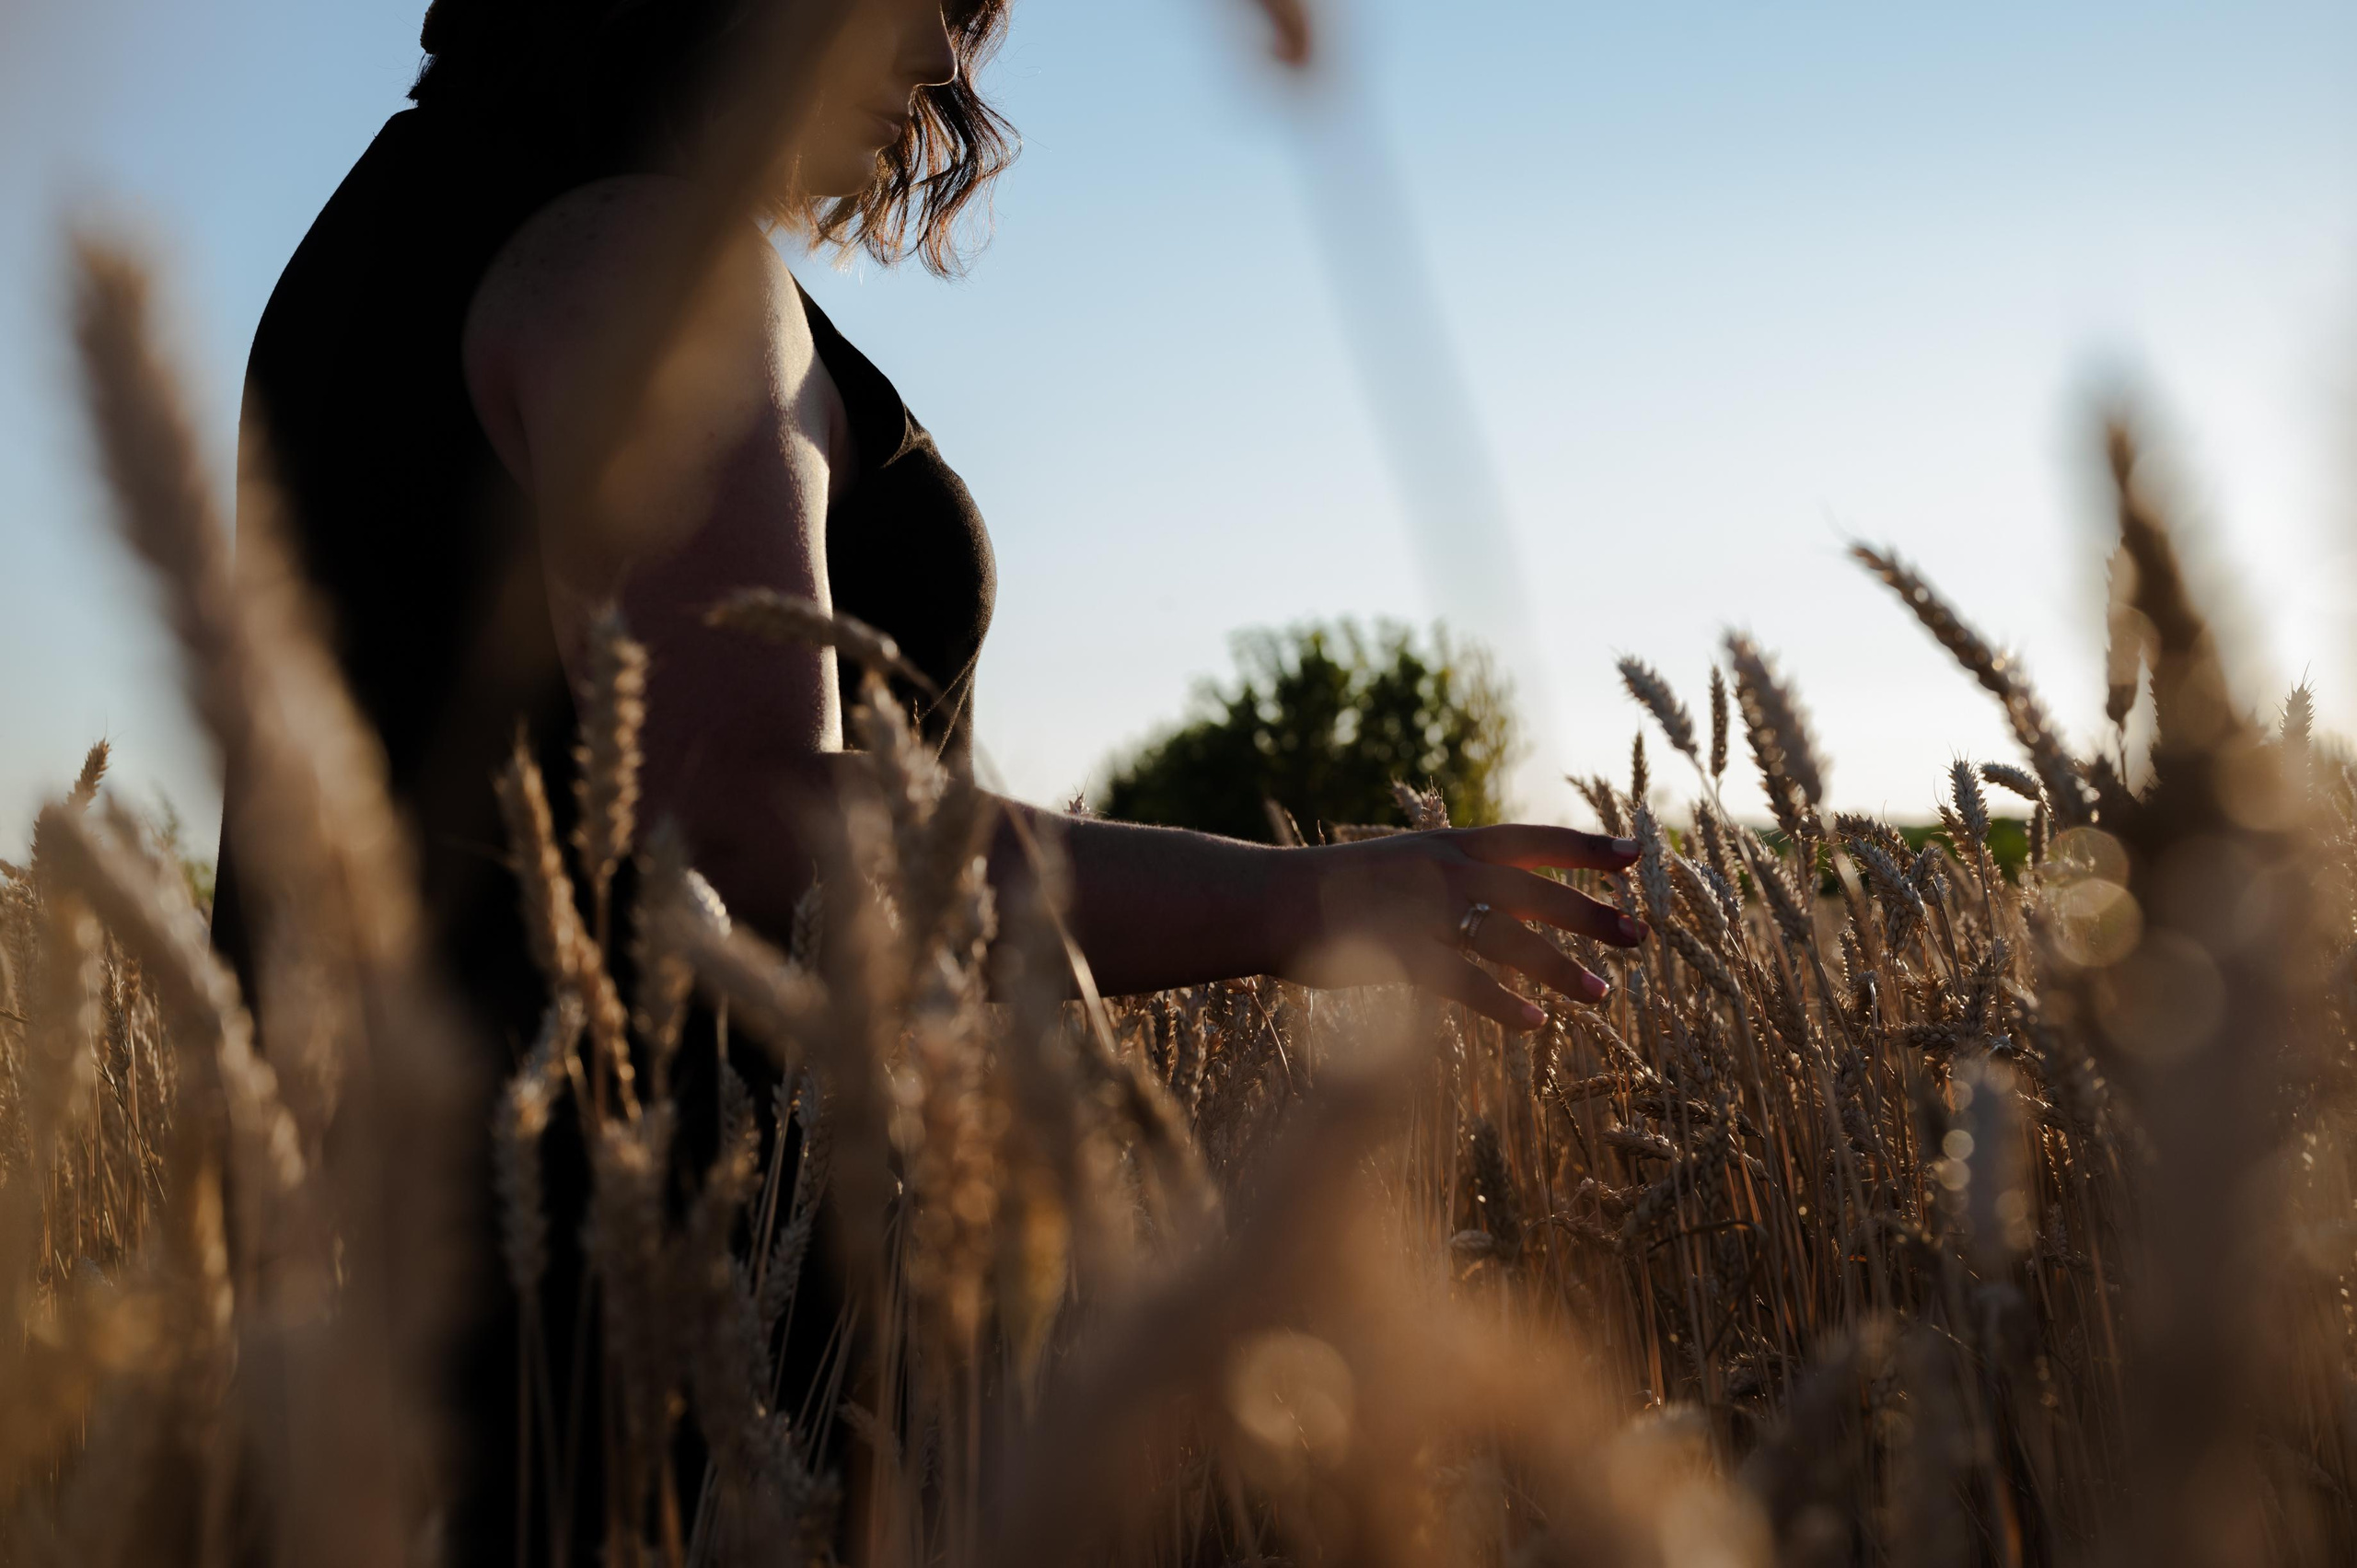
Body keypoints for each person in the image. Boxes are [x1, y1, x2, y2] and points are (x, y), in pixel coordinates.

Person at [210, 0, 1649, 1556]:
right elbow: (751, 814)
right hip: (693, 1331)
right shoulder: (643, 265)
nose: (943, 65)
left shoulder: (391, 235)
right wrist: (1327, 898)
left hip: (417, 1307)